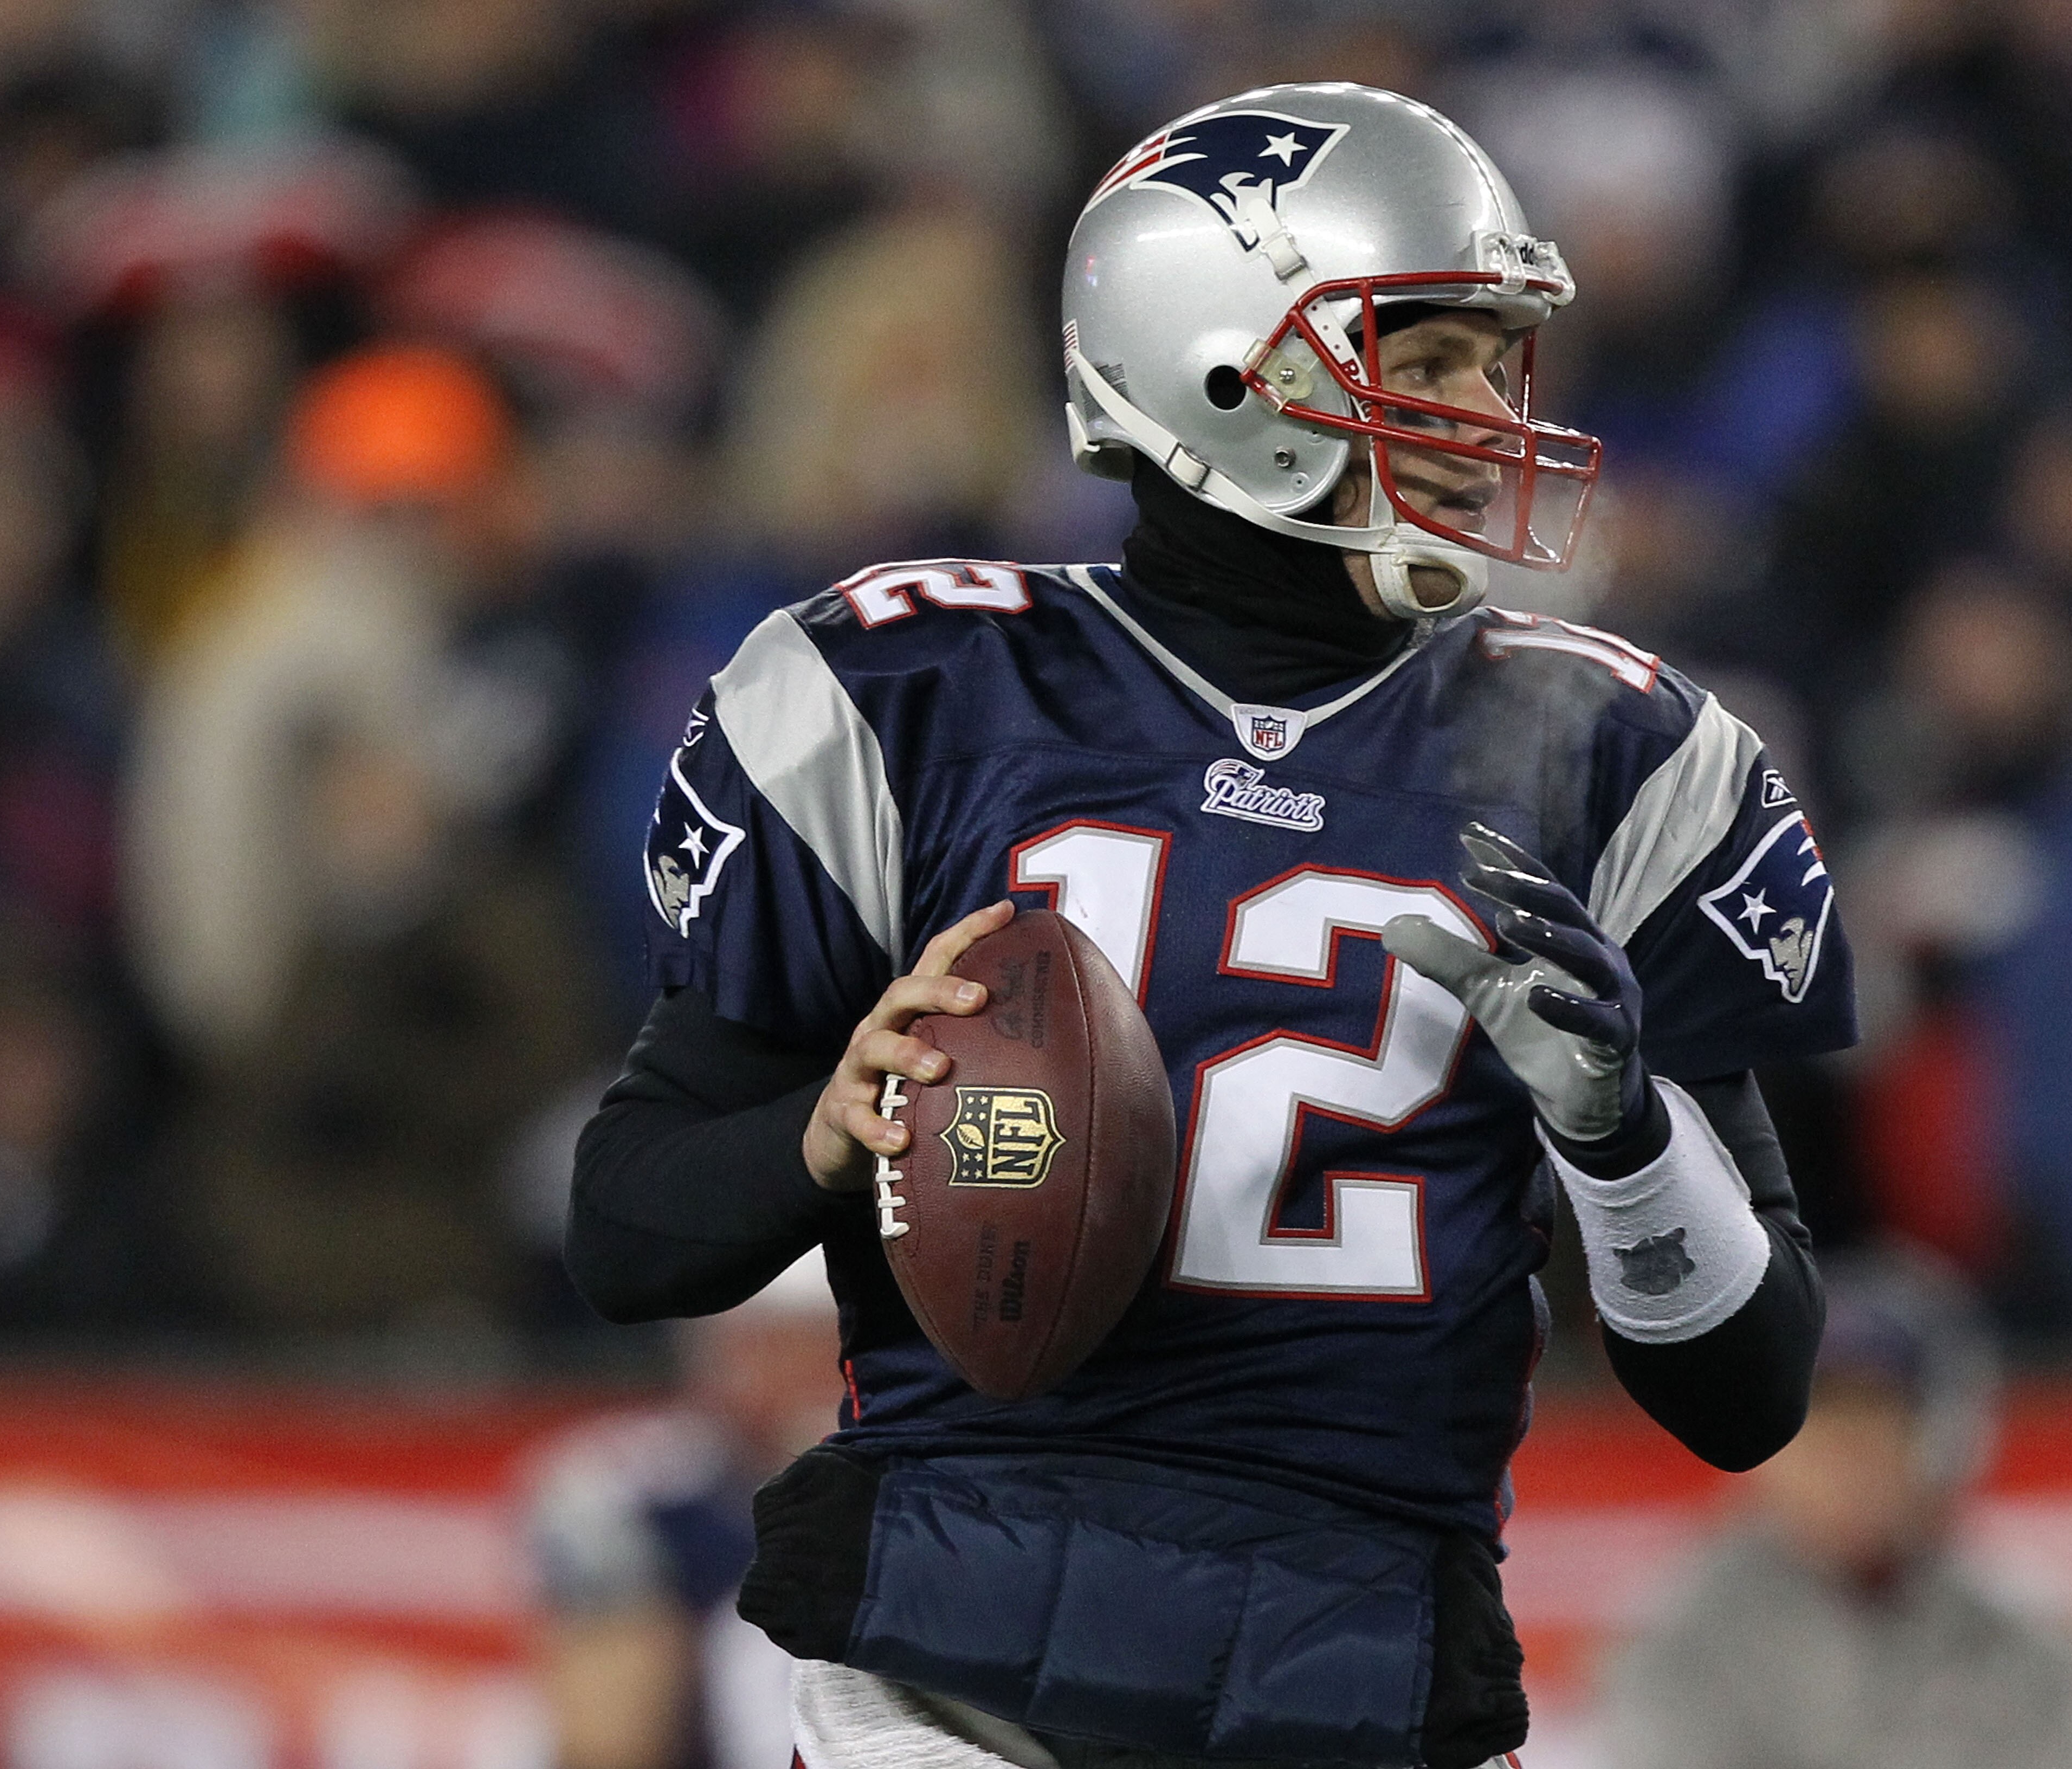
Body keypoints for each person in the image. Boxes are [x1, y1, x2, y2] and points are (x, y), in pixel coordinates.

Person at [569, 85, 1857, 1769]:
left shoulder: (1601, 750)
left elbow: (1750, 1394)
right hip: (951, 1680)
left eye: (1495, 361)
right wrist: (819, 1140)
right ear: (1231, 368)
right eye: (1435, 359)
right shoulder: (920, 693)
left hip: (1363, 1668)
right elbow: (630, 1227)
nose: (1487, 415)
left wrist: (1621, 1142)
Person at [1600, 1249, 2072, 1769]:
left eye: (1874, 1423)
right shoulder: (1683, 1639)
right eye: (1815, 1427)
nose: (1844, 1459)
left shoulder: (2024, 1638)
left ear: (1943, 1444)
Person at [531, 1252, 848, 1769]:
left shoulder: (941, 1485)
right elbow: (609, 1747)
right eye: (775, 1343)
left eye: (821, 1342)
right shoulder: (636, 1494)